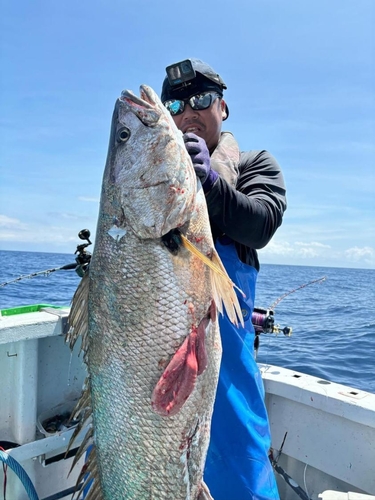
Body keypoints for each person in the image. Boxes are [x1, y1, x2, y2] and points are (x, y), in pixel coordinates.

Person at [161, 58, 286, 500]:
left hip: (225, 376)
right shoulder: (153, 180)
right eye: (175, 103)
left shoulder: (255, 165)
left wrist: (211, 185)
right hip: (152, 377)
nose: (187, 111)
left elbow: (262, 224)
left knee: (240, 484)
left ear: (224, 107)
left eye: (201, 98)